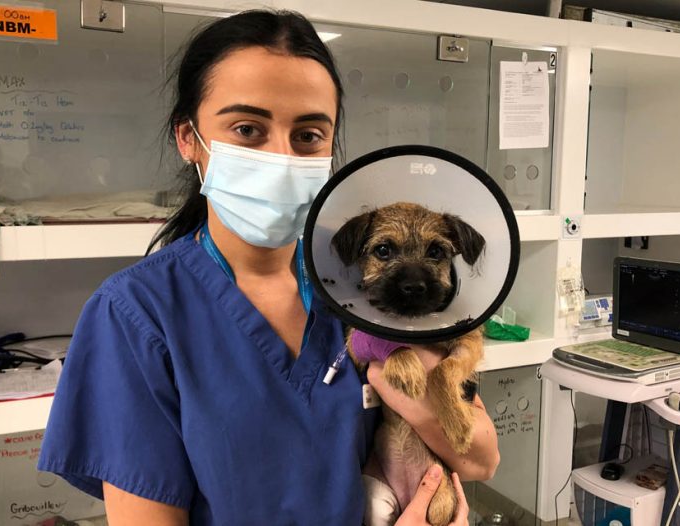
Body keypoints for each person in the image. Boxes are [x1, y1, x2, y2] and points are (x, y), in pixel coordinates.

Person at [37, 9, 498, 526]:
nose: (281, 157)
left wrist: (405, 388)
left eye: (308, 135)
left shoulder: (359, 285)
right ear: (189, 139)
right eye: (248, 129)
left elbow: (480, 458)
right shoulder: (136, 314)